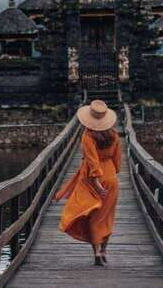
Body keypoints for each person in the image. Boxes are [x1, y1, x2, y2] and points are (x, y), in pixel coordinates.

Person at [55, 99, 121, 266]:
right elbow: (118, 163)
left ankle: (97, 252)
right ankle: (105, 250)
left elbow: (92, 161)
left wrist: (97, 183)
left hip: (91, 180)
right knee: (107, 216)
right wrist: (110, 174)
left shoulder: (87, 135)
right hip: (111, 177)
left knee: (91, 216)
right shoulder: (115, 135)